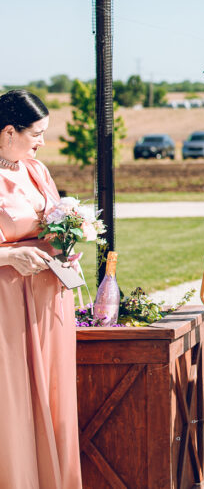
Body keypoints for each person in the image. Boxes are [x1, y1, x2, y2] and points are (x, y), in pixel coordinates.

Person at [0, 89, 83, 489]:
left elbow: (51, 225)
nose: (42, 142)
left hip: (50, 297)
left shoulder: (36, 170)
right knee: (13, 402)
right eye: (36, 133)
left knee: (53, 399)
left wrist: (66, 245)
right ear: (8, 132)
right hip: (7, 306)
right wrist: (9, 257)